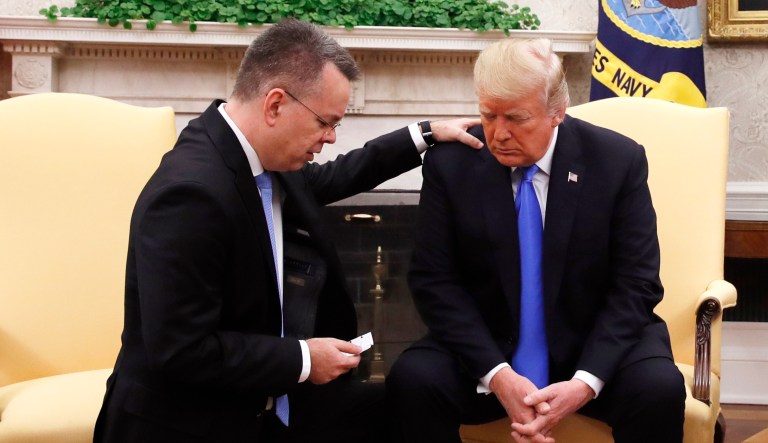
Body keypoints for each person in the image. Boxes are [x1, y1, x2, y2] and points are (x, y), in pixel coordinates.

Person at [93, 18, 482, 443]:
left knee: (406, 402)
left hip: (262, 401)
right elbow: (183, 352)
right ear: (275, 104)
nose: (331, 138)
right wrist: (303, 358)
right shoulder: (192, 194)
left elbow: (334, 177)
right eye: (324, 122)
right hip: (190, 424)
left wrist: (424, 135)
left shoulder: (259, 157)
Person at [386, 38, 686, 443]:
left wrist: (584, 382)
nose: (499, 133)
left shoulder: (617, 161)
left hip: (591, 344)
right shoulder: (451, 163)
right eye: (488, 115)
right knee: (413, 379)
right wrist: (499, 375)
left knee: (658, 388)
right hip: (489, 348)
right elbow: (433, 280)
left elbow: (637, 283)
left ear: (557, 112)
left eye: (516, 118)